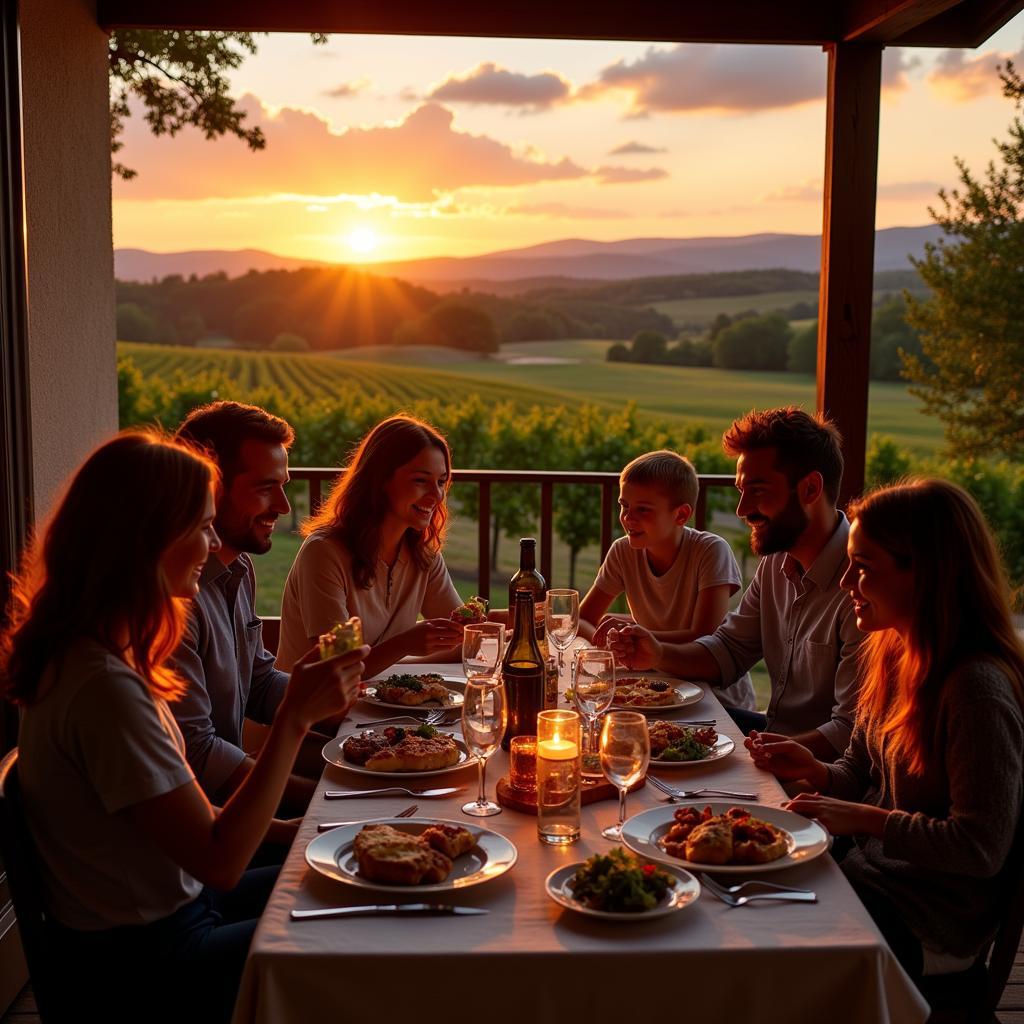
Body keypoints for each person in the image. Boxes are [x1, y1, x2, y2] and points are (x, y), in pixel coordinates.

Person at [0, 432, 365, 1022]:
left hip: (180, 909)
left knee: (349, 876)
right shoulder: (103, 690)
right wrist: (295, 718)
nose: (213, 540)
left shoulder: (98, 656)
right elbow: (218, 858)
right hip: (146, 967)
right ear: (145, 539)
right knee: (358, 936)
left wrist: (308, 824)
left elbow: (201, 831)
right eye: (201, 526)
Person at [748, 478, 1024, 985]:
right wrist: (821, 774)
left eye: (864, 566)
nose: (847, 580)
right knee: (730, 903)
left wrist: (865, 819)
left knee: (754, 955)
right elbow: (860, 767)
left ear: (926, 574)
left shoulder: (975, 689)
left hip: (927, 922)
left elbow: (980, 848)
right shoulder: (894, 652)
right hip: (866, 877)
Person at [609, 407, 862, 760]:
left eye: (757, 491)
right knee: (626, 735)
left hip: (819, 767)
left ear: (810, 488)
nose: (742, 509)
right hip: (772, 738)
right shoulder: (776, 563)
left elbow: (852, 731)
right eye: (741, 491)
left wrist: (755, 753)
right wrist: (658, 652)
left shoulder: (862, 584)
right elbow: (728, 651)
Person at [173, 401, 324, 820]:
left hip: (235, 817)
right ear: (208, 483)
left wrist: (328, 693)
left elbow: (256, 684)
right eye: (264, 488)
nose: (284, 506)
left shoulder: (238, 567)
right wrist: (318, 807)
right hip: (213, 828)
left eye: (283, 485)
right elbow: (199, 757)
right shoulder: (169, 604)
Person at [276, 414, 464, 678]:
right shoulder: (324, 552)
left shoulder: (423, 555)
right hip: (303, 715)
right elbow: (336, 669)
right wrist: (405, 644)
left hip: (376, 709)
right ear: (380, 480)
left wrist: (517, 618)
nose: (437, 495)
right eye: (421, 480)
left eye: (441, 482)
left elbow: (463, 638)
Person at [579, 449, 754, 709]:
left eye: (643, 510)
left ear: (681, 515)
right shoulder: (623, 551)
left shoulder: (710, 551)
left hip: (717, 699)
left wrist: (640, 640)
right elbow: (582, 619)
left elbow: (705, 637)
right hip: (653, 689)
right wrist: (614, 646)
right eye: (624, 506)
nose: (628, 517)